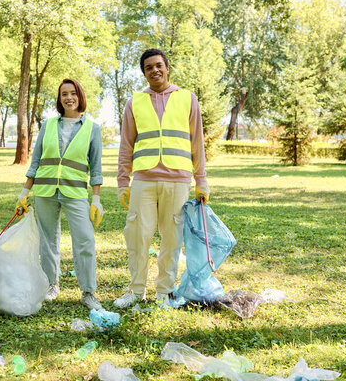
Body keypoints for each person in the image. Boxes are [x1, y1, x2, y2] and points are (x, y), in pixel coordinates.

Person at [114, 48, 210, 309]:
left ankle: (165, 291)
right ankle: (136, 290)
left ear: (167, 68)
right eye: (148, 68)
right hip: (143, 180)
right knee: (137, 237)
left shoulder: (188, 99)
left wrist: (201, 181)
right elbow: (126, 145)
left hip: (177, 179)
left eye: (158, 65)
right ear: (144, 73)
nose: (154, 70)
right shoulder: (135, 102)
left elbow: (197, 143)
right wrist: (124, 182)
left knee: (172, 239)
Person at [15, 78, 104, 310]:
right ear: (59, 98)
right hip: (45, 190)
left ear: (80, 96)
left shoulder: (92, 129)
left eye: (73, 93)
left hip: (75, 192)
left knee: (84, 240)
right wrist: (25, 192)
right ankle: (51, 284)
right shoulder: (48, 125)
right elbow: (35, 161)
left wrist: (96, 199)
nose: (68, 98)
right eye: (64, 94)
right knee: (47, 240)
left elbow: (96, 168)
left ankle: (88, 292)